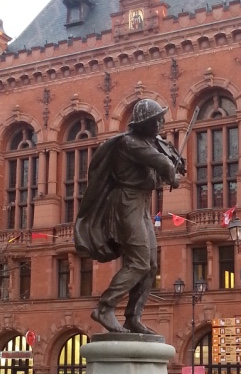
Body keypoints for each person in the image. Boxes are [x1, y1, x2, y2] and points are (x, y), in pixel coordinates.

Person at [74, 98, 182, 335]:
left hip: (142, 203)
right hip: (127, 203)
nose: (160, 125)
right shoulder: (130, 143)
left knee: (151, 265)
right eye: (156, 121)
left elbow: (154, 172)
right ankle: (105, 307)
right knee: (139, 262)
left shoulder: (145, 142)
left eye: (161, 120)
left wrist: (170, 171)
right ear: (143, 123)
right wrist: (171, 173)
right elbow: (161, 162)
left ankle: (133, 317)